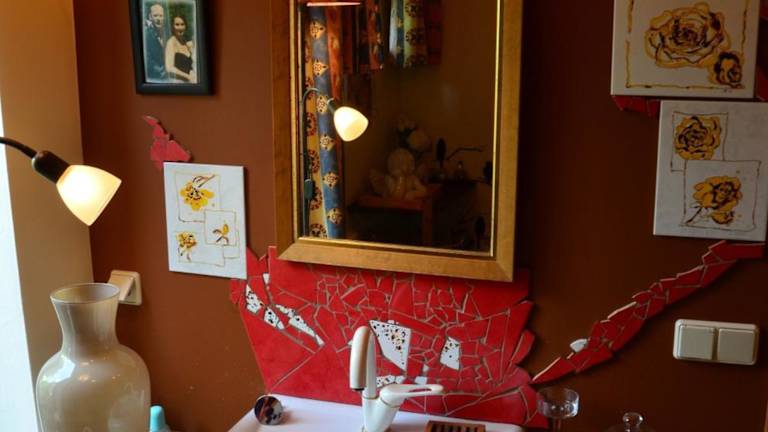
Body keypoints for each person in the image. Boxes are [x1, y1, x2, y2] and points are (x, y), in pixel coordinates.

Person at [165, 15, 197, 83]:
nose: (180, 27)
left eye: (182, 24)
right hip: (177, 82)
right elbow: (169, 68)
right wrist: (188, 76)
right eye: (177, 24)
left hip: (190, 82)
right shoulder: (171, 43)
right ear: (172, 27)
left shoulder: (186, 41)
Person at [144, 3, 167, 82]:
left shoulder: (167, 34)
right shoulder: (146, 35)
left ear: (164, 17)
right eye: (155, 15)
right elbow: (148, 60)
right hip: (155, 78)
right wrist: (163, 72)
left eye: (161, 16)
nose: (158, 19)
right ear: (150, 17)